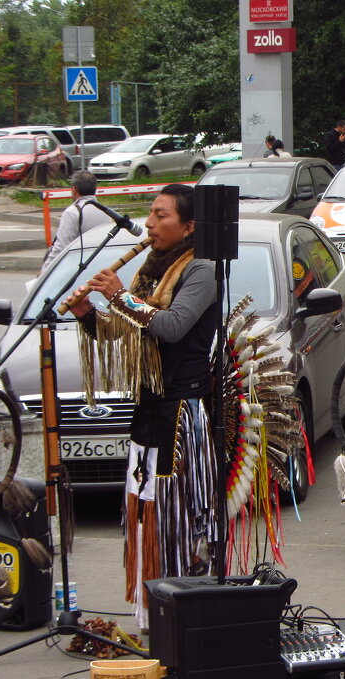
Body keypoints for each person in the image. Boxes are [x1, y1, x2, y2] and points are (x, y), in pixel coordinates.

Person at [64, 184, 218, 629]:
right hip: (148, 409)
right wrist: (87, 314)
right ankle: (154, 611)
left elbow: (169, 327)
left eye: (160, 214)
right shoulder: (150, 271)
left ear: (188, 226)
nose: (148, 223)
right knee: (145, 510)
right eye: (150, 214)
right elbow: (126, 331)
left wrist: (118, 296)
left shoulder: (201, 269)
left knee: (176, 516)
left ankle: (185, 612)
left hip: (180, 414)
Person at [40, 170, 112, 273]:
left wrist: (44, 273)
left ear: (74, 189)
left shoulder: (73, 212)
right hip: (101, 267)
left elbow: (61, 248)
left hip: (78, 269)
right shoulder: (106, 212)